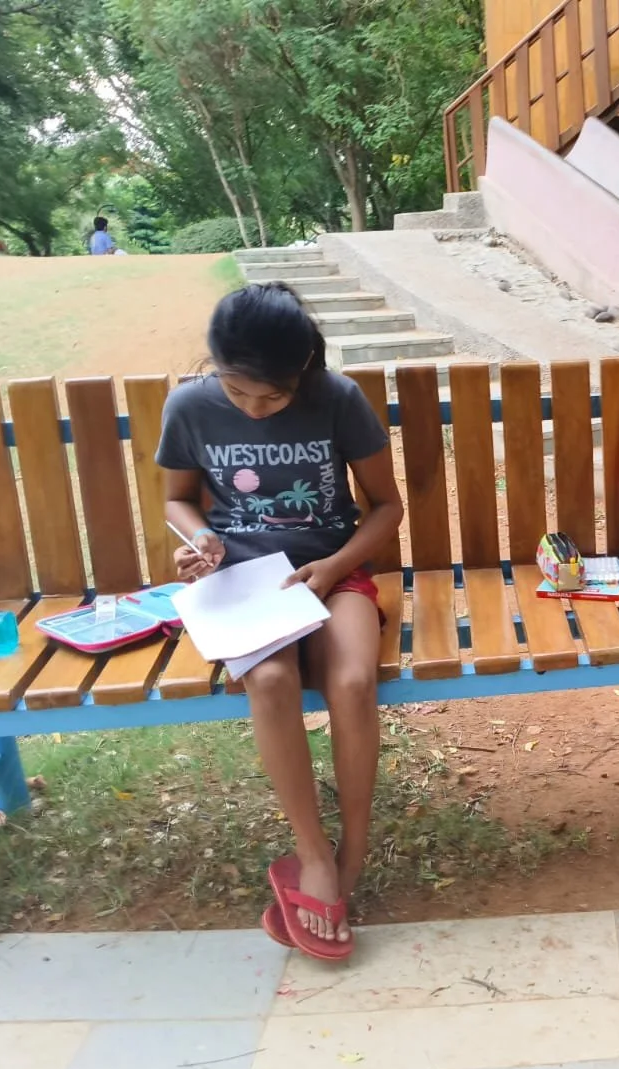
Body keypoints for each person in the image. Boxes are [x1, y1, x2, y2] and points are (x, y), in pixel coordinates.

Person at [159, 282, 403, 960]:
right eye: (239, 394)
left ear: (303, 371)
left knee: (354, 681)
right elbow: (178, 499)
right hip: (241, 583)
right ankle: (312, 853)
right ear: (215, 367)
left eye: (273, 396)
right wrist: (202, 539)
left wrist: (331, 567)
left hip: (331, 570)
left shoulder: (337, 398)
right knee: (269, 681)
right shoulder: (190, 405)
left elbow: (386, 506)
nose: (254, 409)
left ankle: (354, 847)